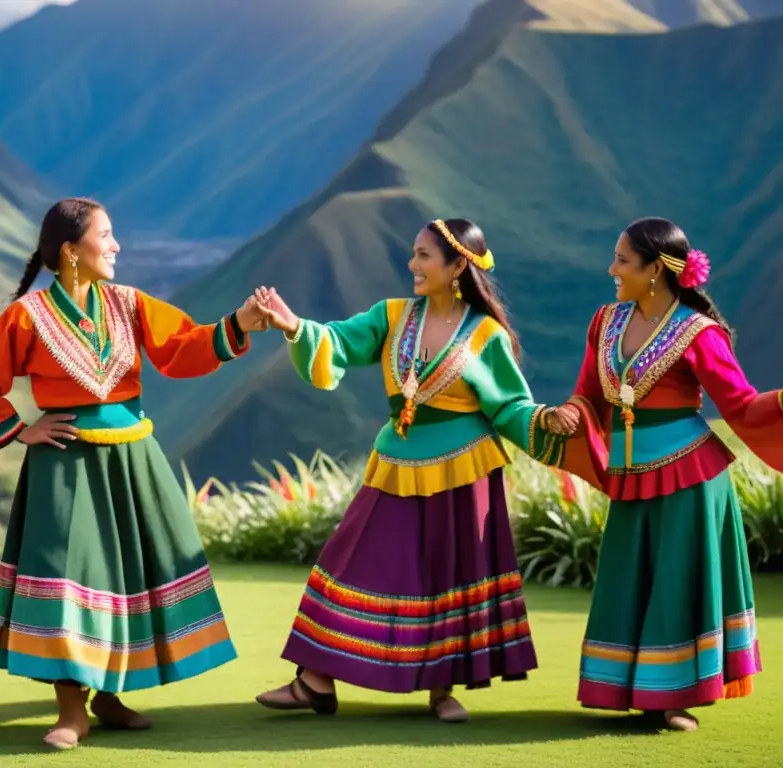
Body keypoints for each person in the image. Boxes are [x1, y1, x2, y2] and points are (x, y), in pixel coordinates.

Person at [251, 218, 600, 721]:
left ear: (458, 266)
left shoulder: (485, 336)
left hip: (464, 471)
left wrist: (546, 419)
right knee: (351, 560)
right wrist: (293, 327)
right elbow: (338, 343)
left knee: (449, 574)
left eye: (423, 256)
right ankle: (315, 680)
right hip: (395, 462)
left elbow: (508, 407)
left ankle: (442, 690)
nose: (412, 265)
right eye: (413, 253)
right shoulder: (391, 316)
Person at [0, 197, 267, 750]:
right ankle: (71, 709)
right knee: (66, 579)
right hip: (64, 465)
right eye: (107, 235)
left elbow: (180, 348)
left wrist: (237, 324)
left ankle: (109, 695)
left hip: (132, 460)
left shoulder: (129, 304)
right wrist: (20, 428)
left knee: (125, 577)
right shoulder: (25, 318)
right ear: (71, 251)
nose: (117, 245)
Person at [554, 217, 782, 731]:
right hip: (631, 474)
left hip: (690, 478)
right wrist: (571, 413)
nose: (611, 269)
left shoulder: (698, 333)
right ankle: (620, 688)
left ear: (656, 269)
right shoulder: (605, 321)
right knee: (627, 577)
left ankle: (673, 697)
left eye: (623, 261)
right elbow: (589, 392)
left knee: (677, 581)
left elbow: (741, 406)